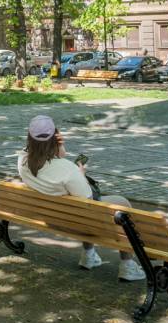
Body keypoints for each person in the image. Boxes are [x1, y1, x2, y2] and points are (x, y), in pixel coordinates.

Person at [17, 114, 145, 282]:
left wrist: (59, 147)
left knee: (81, 211)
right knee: (122, 204)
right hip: (77, 221)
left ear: (30, 137)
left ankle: (89, 255)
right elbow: (88, 200)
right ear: (54, 137)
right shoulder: (67, 169)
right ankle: (127, 265)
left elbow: (50, 159)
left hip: (53, 219)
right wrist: (81, 175)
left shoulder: (23, 160)